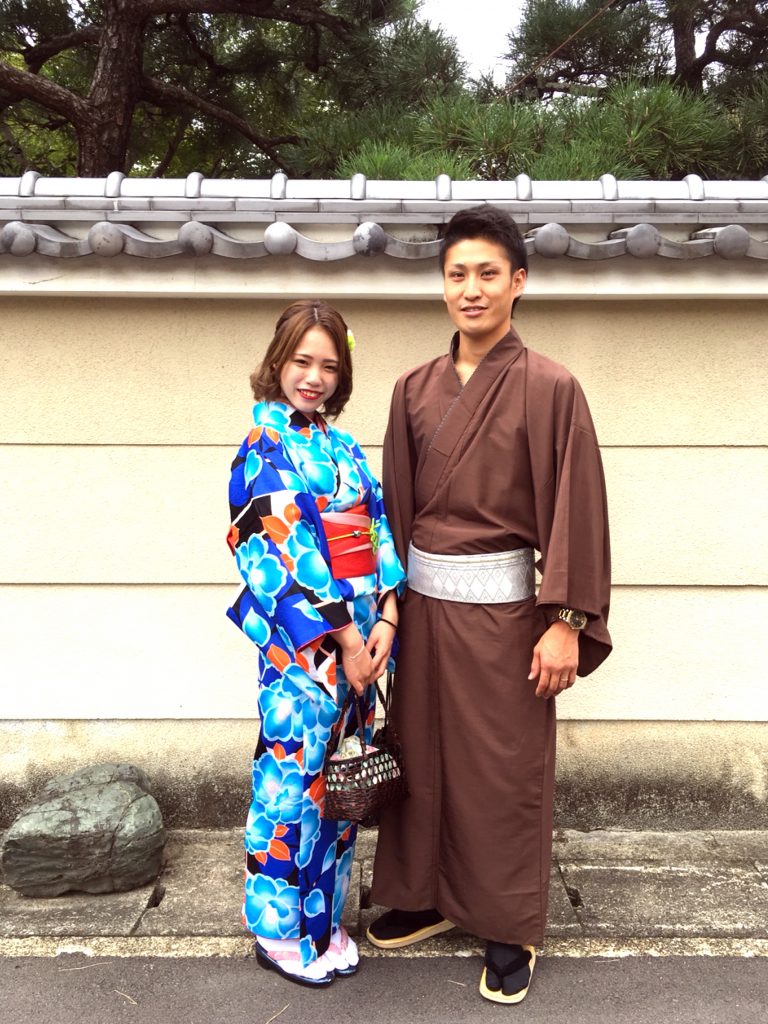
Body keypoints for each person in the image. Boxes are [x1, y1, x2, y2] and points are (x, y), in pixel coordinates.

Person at [368, 206, 612, 1005]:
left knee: (502, 771)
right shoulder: (412, 390)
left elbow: (577, 509)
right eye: (456, 274)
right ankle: (427, 895)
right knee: (421, 759)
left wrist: (564, 621)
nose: (470, 289)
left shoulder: (551, 387)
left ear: (518, 282)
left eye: (487, 273)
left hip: (507, 619)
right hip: (423, 614)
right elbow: (393, 518)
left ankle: (509, 925)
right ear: (443, 285)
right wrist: (388, 613)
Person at [226, 300, 406, 988]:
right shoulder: (263, 446)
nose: (314, 377)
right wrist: (349, 636)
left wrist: (388, 614)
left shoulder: (344, 446)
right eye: (302, 361)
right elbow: (280, 551)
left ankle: (323, 923)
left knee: (340, 785)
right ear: (278, 362)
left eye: (329, 366)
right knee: (291, 782)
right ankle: (278, 931)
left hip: (361, 641)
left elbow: (378, 528)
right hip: (304, 650)